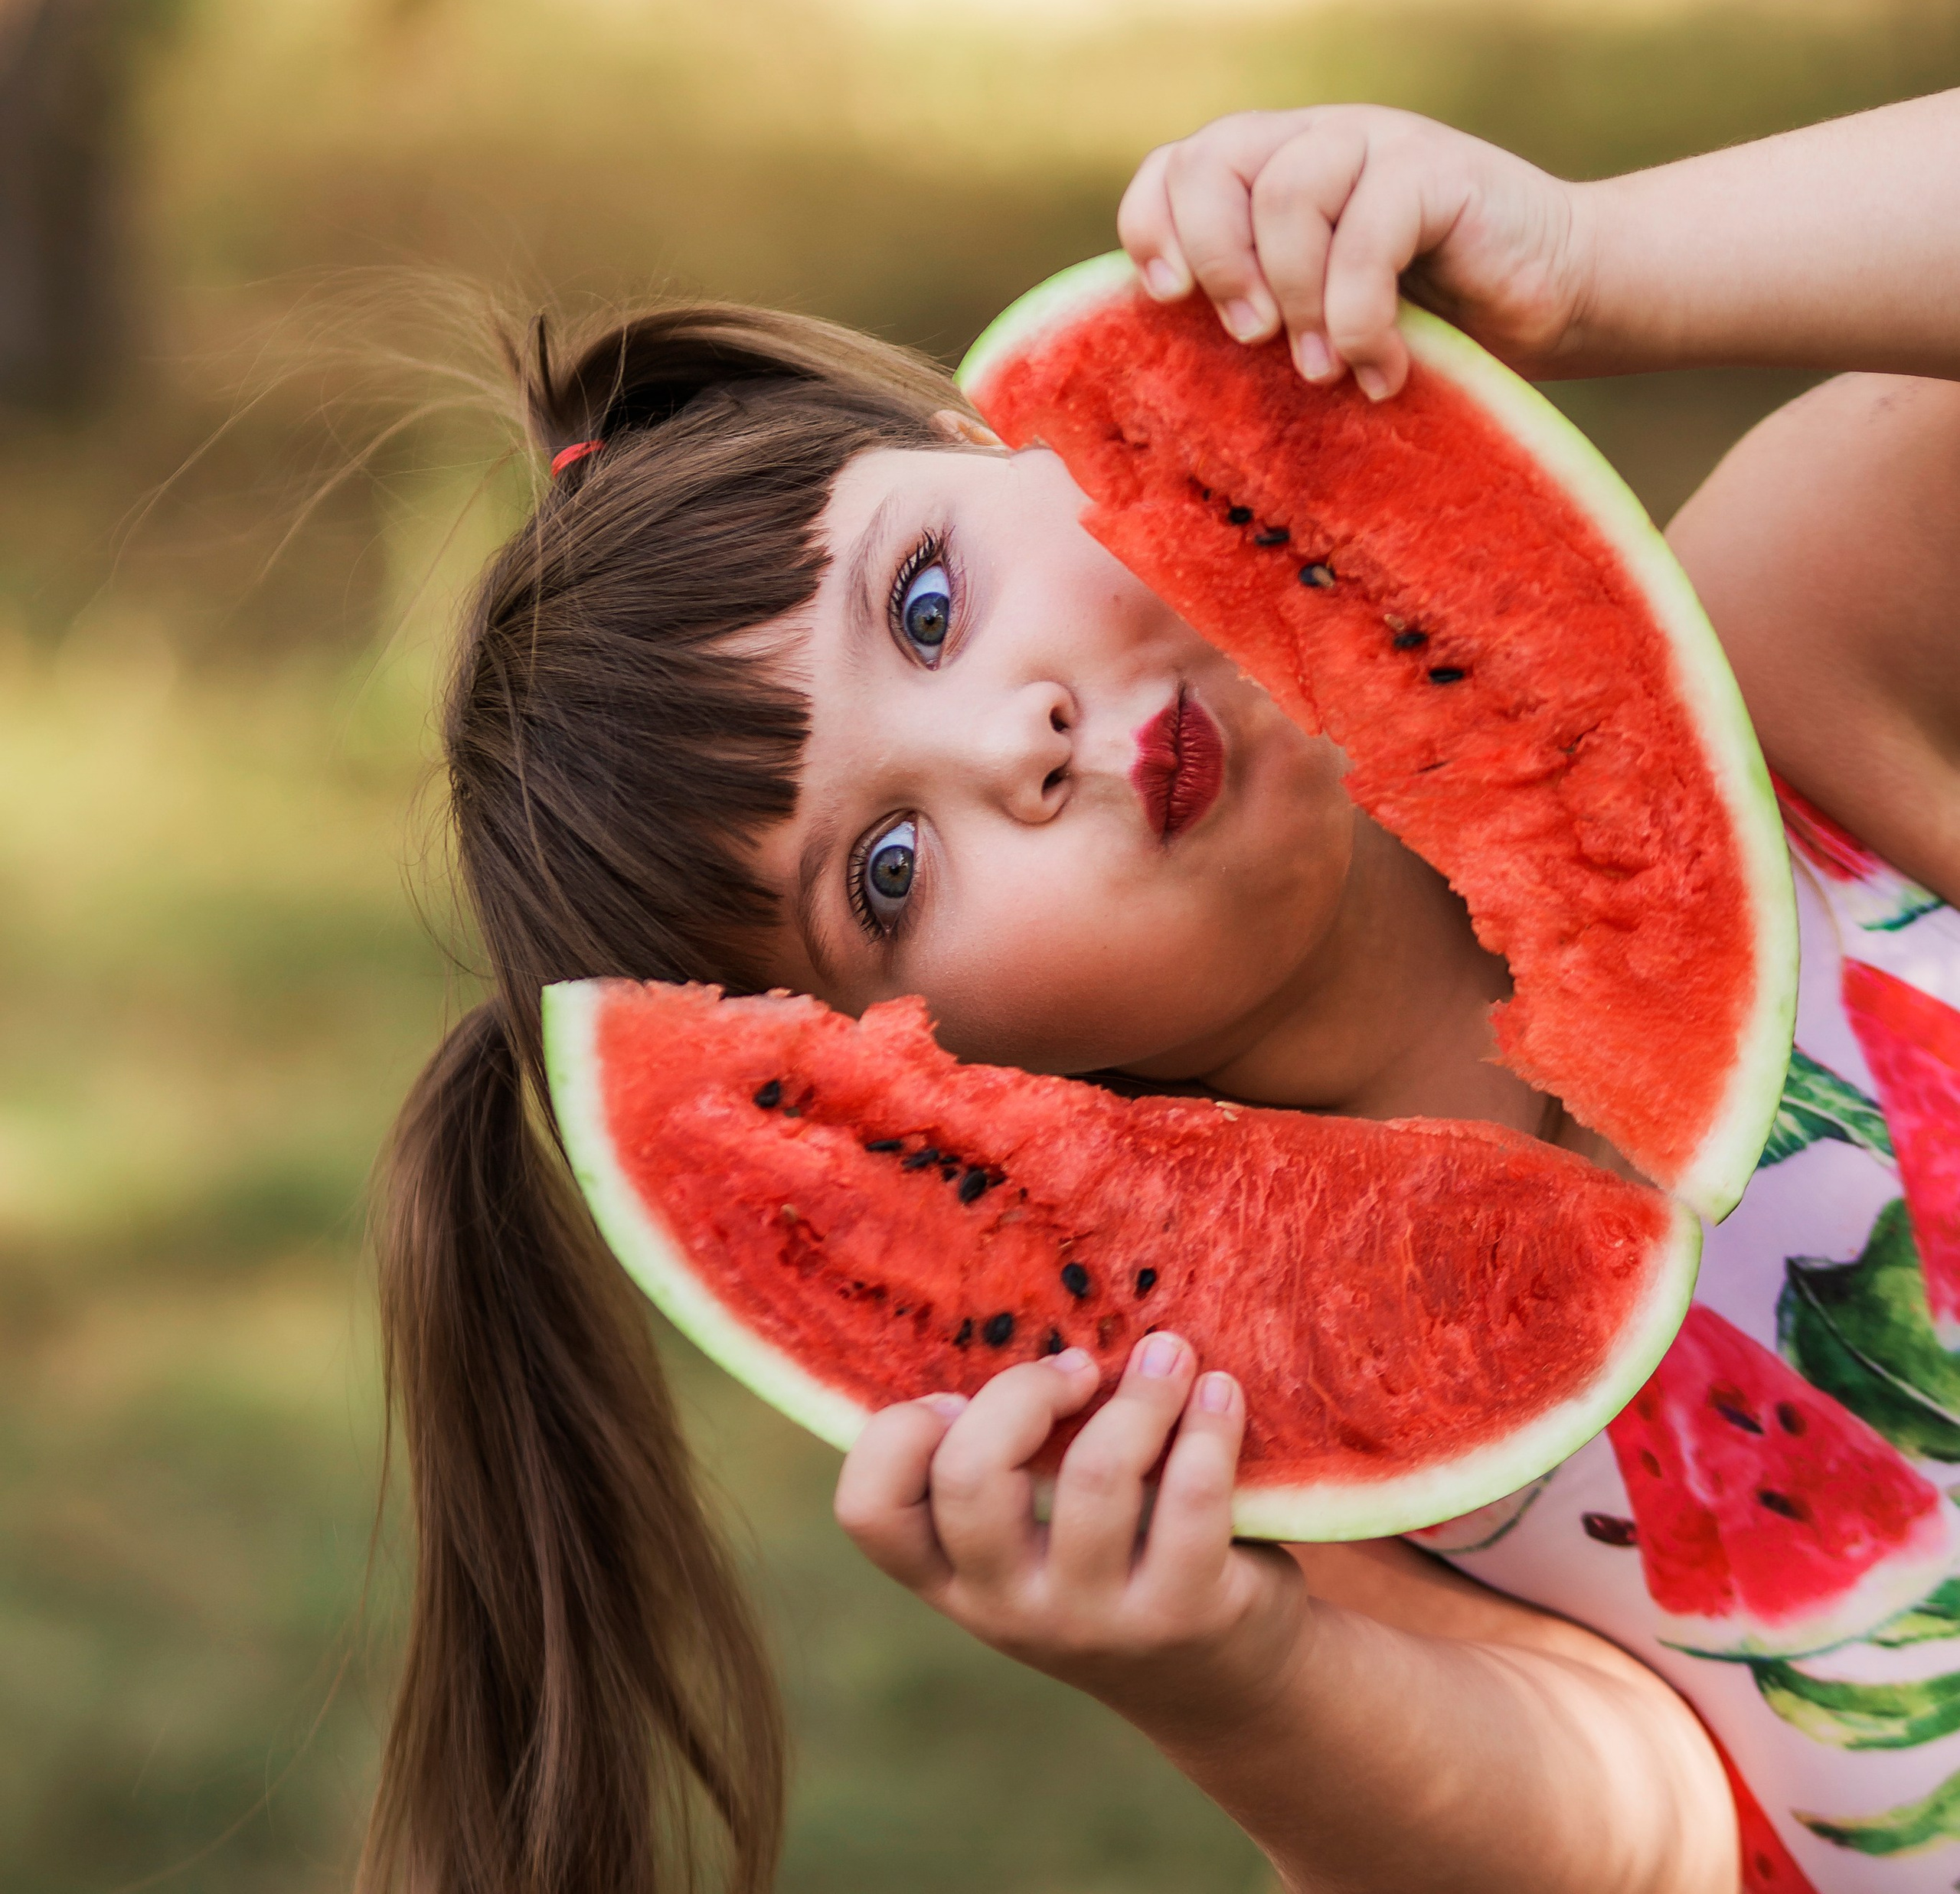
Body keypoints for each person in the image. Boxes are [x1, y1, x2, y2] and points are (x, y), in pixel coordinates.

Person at [359, 92, 1960, 1894]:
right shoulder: (1218, 1416)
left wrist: (1604, 261)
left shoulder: (1788, 652)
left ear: (1011, 441)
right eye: (884, 876)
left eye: (924, 598)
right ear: (902, 1090)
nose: (1009, 740)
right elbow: (1645, 1831)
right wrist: (1241, 1678)